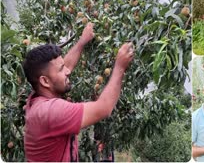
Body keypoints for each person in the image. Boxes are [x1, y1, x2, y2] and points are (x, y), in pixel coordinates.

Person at [23, 22, 134, 162]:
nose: (68, 71)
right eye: (61, 69)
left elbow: (65, 67)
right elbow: (104, 108)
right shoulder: (51, 111)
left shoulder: (38, 96)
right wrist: (120, 66)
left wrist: (82, 42)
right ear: (45, 81)